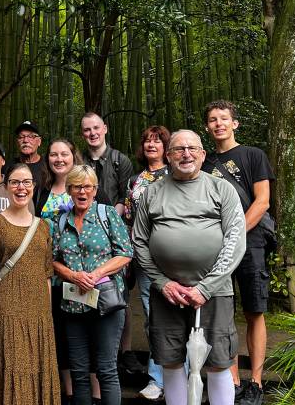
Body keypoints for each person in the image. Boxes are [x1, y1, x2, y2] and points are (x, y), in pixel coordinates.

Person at [132, 130, 247, 405]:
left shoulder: (221, 189)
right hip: (167, 293)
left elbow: (235, 239)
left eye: (192, 148)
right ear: (168, 156)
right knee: (170, 361)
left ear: (203, 154)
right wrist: (162, 282)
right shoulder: (152, 192)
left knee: (219, 360)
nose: (186, 154)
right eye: (179, 149)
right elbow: (139, 241)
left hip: (214, 292)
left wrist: (206, 288)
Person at [202, 101, 275, 405]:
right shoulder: (204, 164)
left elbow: (262, 202)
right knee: (222, 313)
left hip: (251, 242)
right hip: (216, 248)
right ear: (207, 127)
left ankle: (255, 382)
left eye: (224, 119)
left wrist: (234, 234)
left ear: (235, 124)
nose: (218, 124)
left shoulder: (252, 155)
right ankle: (231, 380)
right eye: (212, 120)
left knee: (254, 310)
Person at [0, 164, 61, 404]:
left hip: (39, 317)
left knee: (38, 375)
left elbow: (46, 275)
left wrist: (48, 317)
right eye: (14, 182)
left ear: (34, 187)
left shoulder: (42, 227)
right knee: (10, 376)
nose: (20, 188)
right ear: (6, 186)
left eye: (26, 182)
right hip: (7, 314)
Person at [34, 139, 111, 404]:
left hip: (91, 280)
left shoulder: (91, 188)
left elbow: (111, 234)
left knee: (93, 338)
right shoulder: (42, 191)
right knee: (64, 338)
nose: (59, 159)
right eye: (53, 154)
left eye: (64, 154)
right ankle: (69, 393)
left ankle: (97, 393)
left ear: (72, 156)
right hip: (53, 277)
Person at [53, 165, 132, 405]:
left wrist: (96, 273)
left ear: (95, 189)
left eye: (88, 186)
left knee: (106, 369)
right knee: (78, 371)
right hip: (73, 305)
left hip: (106, 304)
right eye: (77, 186)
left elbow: (126, 253)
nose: (82, 191)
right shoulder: (60, 220)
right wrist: (73, 275)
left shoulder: (107, 214)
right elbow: (53, 260)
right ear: (69, 190)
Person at [124, 126, 171, 400]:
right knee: (152, 317)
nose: (151, 145)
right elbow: (129, 217)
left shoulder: (175, 174)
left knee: (176, 317)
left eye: (157, 140)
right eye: (147, 140)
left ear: (167, 146)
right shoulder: (135, 179)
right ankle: (157, 378)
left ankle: (180, 373)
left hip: (172, 256)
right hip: (143, 258)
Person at [80, 112, 133, 216]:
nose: (92, 133)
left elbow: (125, 197)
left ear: (105, 129)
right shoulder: (78, 162)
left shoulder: (120, 160)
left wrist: (111, 220)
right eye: (87, 130)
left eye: (96, 128)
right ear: (82, 134)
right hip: (83, 223)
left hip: (113, 221)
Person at [5, 120, 48, 190]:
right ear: (17, 142)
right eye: (21, 137)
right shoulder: (7, 166)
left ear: (39, 141)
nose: (25, 140)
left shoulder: (48, 166)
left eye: (31, 136)